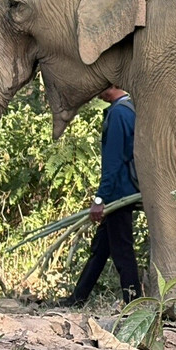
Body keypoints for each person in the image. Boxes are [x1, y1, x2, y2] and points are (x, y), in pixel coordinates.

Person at [56, 85, 142, 307]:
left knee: (122, 251)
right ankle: (77, 299)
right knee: (100, 250)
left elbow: (113, 163)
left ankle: (134, 303)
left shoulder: (118, 113)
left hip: (118, 195)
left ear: (112, 85)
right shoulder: (130, 108)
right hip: (124, 191)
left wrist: (99, 199)